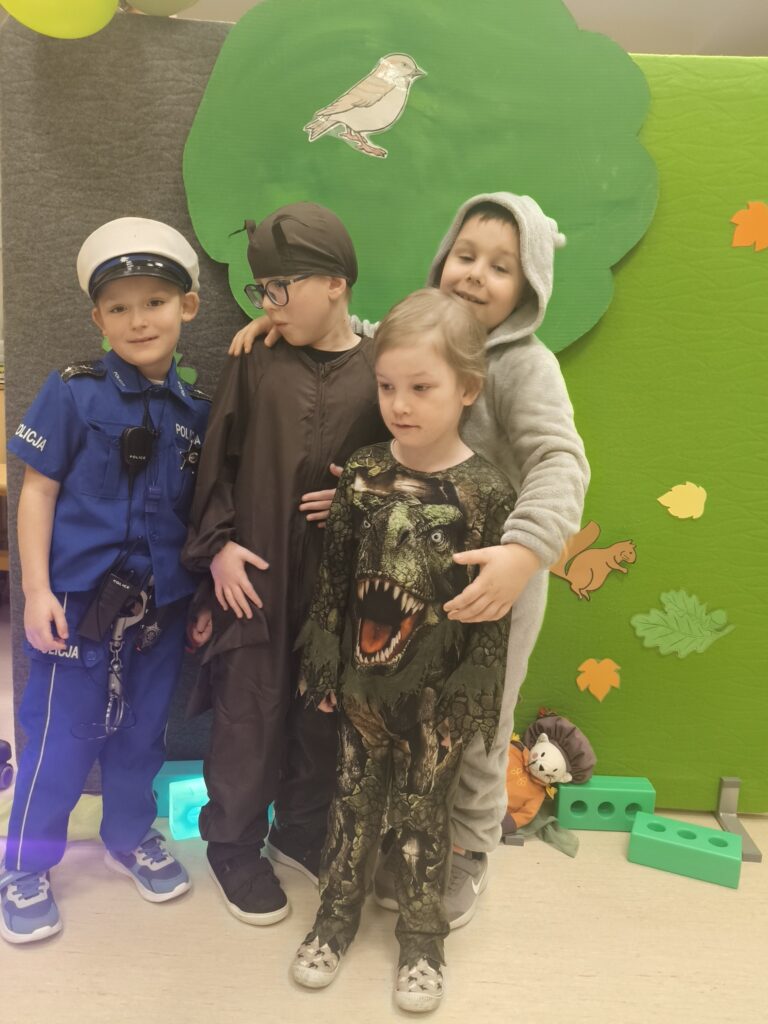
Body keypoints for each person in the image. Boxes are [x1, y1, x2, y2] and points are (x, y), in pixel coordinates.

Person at [229, 191, 590, 928]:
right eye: (466, 255)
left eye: (501, 267)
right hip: (404, 578)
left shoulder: (526, 367)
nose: (476, 274)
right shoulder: (413, 338)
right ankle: (404, 836)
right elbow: (366, 338)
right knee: (395, 717)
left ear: (530, 286)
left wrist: (524, 551)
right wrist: (286, 317)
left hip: (489, 582)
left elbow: (560, 459)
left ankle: (467, 848)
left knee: (474, 723)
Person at [291, 288, 514, 1013]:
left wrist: (475, 688)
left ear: (466, 389)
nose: (399, 404)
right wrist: (327, 662)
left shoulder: (487, 491)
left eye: (421, 388)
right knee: (351, 805)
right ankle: (334, 918)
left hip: (436, 703)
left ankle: (422, 940)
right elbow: (335, 579)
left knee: (424, 816)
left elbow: (494, 609)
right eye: (387, 386)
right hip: (363, 687)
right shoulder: (361, 471)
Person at [0, 217, 209, 944]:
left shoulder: (197, 413)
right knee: (58, 739)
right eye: (118, 307)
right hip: (75, 606)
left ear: (188, 306)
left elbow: (197, 518)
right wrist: (34, 591)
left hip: (159, 612)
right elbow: (36, 492)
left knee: (142, 736)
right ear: (98, 320)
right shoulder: (73, 392)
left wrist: (197, 598)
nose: (138, 319)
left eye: (155, 301)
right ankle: (23, 864)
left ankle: (129, 836)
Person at [181, 202, 388, 926]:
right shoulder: (255, 360)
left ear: (335, 283)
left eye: (280, 287)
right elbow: (216, 462)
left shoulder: (383, 372)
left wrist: (361, 493)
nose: (267, 303)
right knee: (250, 708)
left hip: (341, 583)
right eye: (261, 290)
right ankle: (232, 842)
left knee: (323, 711)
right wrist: (217, 547)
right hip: (257, 575)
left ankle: (301, 830)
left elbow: (407, 463)